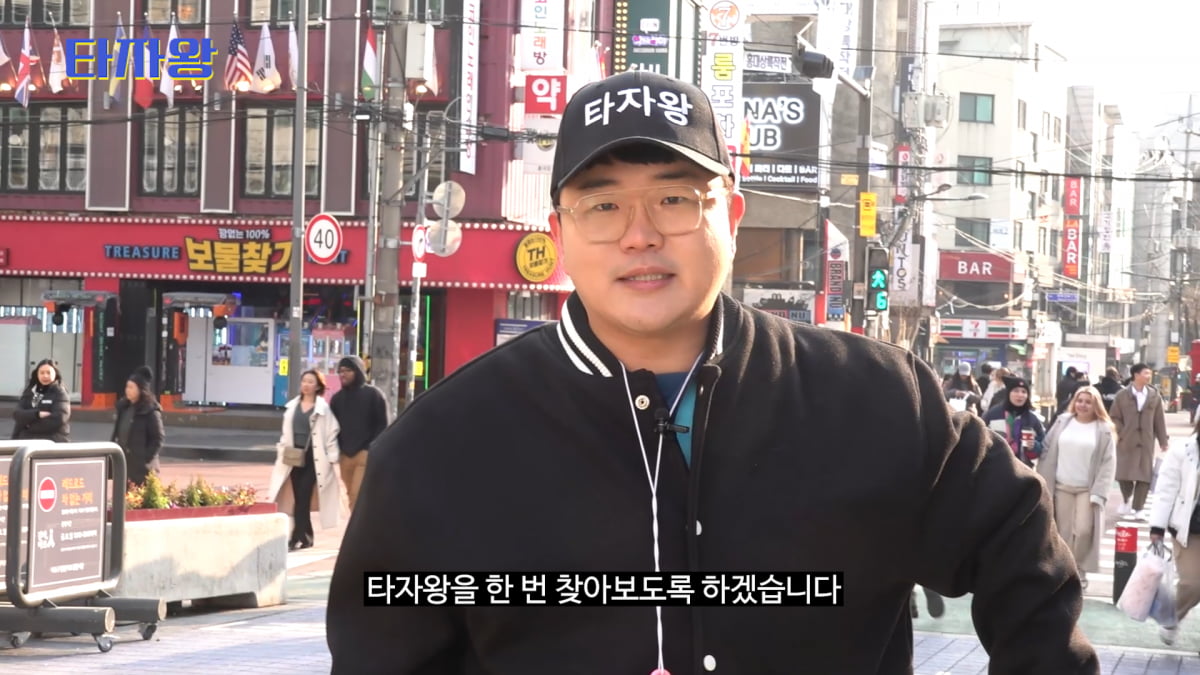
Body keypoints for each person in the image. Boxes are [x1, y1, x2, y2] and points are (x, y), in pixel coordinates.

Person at [326, 70, 1098, 673]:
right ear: (559, 232)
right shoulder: (442, 449)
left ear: (730, 216)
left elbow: (1020, 544)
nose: (639, 234)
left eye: (674, 198)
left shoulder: (875, 401)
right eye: (602, 206)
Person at [1036, 386, 1117, 591]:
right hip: (1061, 486)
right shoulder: (1063, 421)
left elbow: (1108, 463)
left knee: (1083, 531)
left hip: (1087, 489)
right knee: (1061, 532)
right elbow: (1047, 448)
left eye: (1088, 402)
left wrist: (1100, 492)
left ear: (1096, 405)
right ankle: (1063, 570)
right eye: (1080, 400)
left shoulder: (1103, 429)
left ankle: (1078, 568)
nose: (1083, 405)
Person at [268, 369, 343, 550]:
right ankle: (305, 536)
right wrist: (281, 450)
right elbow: (285, 433)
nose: (306, 385)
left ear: (318, 386)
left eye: (311, 382)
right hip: (293, 455)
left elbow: (331, 434)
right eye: (304, 381)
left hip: (314, 458)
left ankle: (297, 537)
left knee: (303, 496)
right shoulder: (292, 407)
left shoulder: (323, 409)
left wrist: (333, 457)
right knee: (297, 497)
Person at [1149, 415, 1200, 647]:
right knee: (1192, 583)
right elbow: (1166, 489)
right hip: (1189, 528)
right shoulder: (1182, 451)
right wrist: (1157, 527)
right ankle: (1171, 618)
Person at [328, 356, 389, 510]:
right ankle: (364, 523)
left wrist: (371, 448)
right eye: (341, 371)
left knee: (357, 494)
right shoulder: (337, 399)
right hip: (345, 455)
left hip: (365, 454)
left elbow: (383, 424)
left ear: (358, 371)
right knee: (351, 494)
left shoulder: (374, 395)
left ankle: (356, 525)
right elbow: (332, 427)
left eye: (348, 370)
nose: (343, 374)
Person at [1111, 363, 1170, 518]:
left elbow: (1159, 420)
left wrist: (1163, 441)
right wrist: (1121, 432)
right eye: (1146, 373)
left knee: (1145, 476)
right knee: (1124, 474)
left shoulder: (1154, 396)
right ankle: (1126, 499)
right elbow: (1114, 417)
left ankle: (1139, 508)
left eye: (1149, 374)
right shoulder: (1122, 395)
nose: (1148, 376)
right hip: (1126, 441)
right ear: (1136, 375)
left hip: (1146, 442)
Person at [111, 371, 165, 486]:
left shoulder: (150, 411)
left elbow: (158, 438)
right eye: (127, 387)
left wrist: (145, 459)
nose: (127, 390)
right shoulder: (124, 408)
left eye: (131, 387)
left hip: (144, 470)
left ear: (141, 389)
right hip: (125, 465)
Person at [982, 375, 1046, 468]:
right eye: (1016, 391)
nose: (1020, 395)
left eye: (1024, 392)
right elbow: (981, 439)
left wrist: (1034, 446)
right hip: (995, 468)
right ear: (1008, 393)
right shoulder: (993, 414)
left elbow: (1043, 444)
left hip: (1024, 469)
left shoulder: (1032, 419)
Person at [11, 359, 71, 442]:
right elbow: (17, 414)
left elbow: (59, 418)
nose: (45, 376)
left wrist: (28, 425)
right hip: (26, 440)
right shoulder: (30, 392)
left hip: (52, 441)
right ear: (37, 374)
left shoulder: (60, 393)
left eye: (48, 373)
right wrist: (37, 414)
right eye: (42, 373)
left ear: (55, 374)